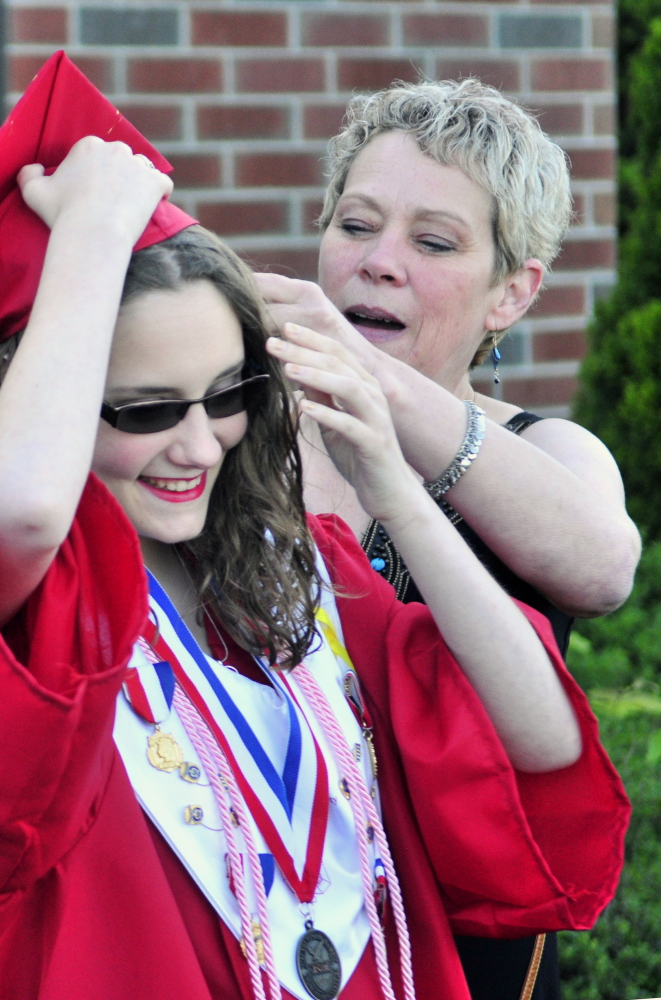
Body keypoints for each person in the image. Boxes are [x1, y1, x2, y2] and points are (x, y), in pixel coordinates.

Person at [0, 56, 628, 1000]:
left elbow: (543, 737)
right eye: (140, 408)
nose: (195, 445)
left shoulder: (287, 577)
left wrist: (392, 481)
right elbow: (22, 507)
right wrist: (90, 241)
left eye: (227, 396)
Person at [255, 79, 641, 1000]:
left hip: (467, 949)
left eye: (431, 242)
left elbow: (602, 568)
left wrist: (371, 390)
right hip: (262, 919)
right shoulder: (230, 437)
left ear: (510, 294)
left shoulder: (548, 451)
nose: (377, 262)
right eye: (354, 227)